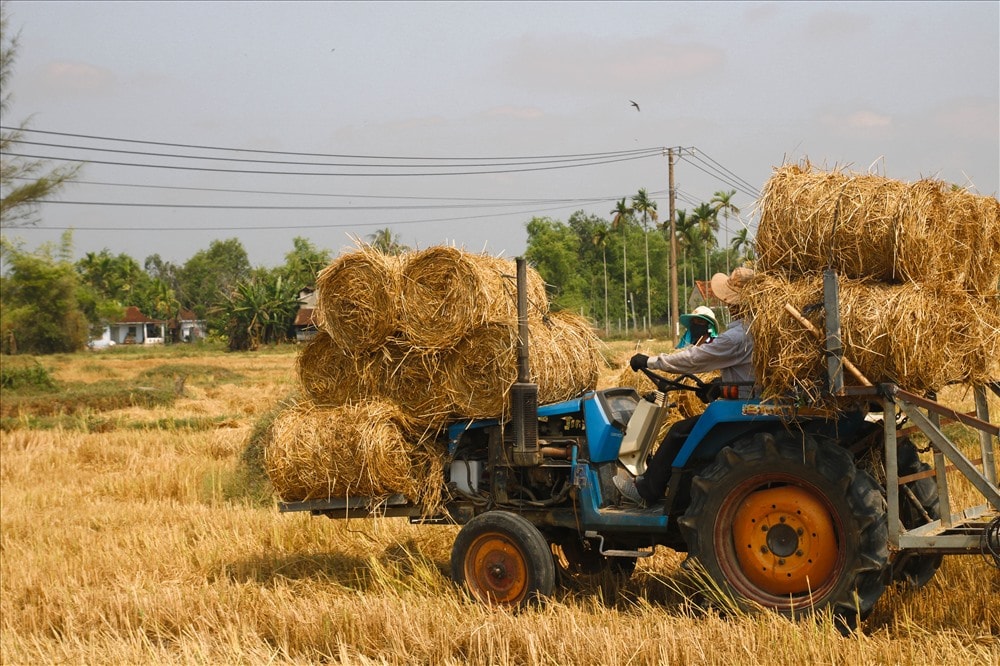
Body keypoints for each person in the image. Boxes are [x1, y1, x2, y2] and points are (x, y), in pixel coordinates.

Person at [615, 267, 756, 507]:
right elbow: (749, 373)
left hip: (743, 407)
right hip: (745, 397)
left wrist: (649, 361)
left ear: (735, 304)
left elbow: (692, 359)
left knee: (679, 432)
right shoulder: (754, 330)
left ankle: (648, 489)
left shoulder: (737, 337)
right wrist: (720, 386)